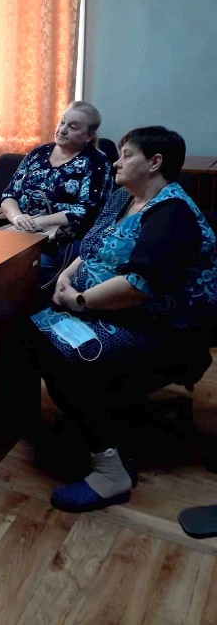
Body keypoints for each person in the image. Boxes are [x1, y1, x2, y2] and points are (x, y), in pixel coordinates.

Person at [26, 126, 217, 513]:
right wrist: (67, 276)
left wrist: (79, 300)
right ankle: (81, 417)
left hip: (158, 328)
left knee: (66, 356)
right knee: (27, 328)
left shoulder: (171, 213)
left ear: (155, 162)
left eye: (127, 155)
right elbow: (92, 246)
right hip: (112, 311)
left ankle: (110, 471)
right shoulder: (123, 197)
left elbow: (138, 287)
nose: (116, 162)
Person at [0, 101, 114, 285]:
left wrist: (35, 224)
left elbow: (87, 210)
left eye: (72, 127)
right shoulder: (38, 153)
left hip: (58, 240)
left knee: (16, 272)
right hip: (20, 230)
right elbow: (9, 195)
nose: (62, 130)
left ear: (88, 136)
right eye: (62, 122)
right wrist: (18, 217)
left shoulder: (96, 162)